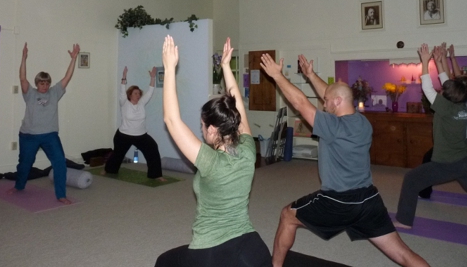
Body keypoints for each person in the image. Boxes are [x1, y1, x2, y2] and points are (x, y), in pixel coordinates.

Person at [259, 53, 429, 267]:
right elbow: (332, 96)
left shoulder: (333, 127)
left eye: (327, 102)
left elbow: (300, 103)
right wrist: (311, 76)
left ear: (337, 102)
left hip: (338, 202)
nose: (323, 103)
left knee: (287, 215)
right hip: (369, 200)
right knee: (403, 255)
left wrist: (277, 76)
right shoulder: (363, 122)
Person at [155, 36, 272, 267]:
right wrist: (226, 67)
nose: (200, 131)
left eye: (201, 126)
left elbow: (171, 119)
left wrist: (169, 68)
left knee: (163, 262)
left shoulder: (210, 162)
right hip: (253, 249)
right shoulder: (249, 149)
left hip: (210, 252)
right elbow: (238, 107)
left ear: (211, 129)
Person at [394, 44, 467, 228]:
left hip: (445, 162)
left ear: (448, 97)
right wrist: (438, 60)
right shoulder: (463, 105)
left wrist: (425, 62)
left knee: (411, 179)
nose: (441, 91)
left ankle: (404, 221)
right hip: (463, 159)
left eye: (443, 91)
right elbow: (447, 84)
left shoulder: (445, 108)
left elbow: (427, 88)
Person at [10, 42, 80, 204]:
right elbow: (22, 78)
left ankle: (61, 195)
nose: (45, 86)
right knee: (25, 163)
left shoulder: (54, 92)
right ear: (37, 83)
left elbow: (67, 78)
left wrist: (73, 59)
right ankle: (19, 186)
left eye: (47, 83)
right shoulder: (30, 93)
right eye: (42, 83)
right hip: (28, 135)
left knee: (59, 162)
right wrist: (24, 58)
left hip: (50, 135)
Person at [103, 66, 165, 181]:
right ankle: (108, 169)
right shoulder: (124, 103)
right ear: (130, 95)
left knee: (153, 148)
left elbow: (150, 92)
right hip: (123, 135)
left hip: (141, 135)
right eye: (135, 93)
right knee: (118, 154)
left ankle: (156, 175)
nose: (138, 95)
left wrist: (152, 78)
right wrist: (124, 78)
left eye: (139, 93)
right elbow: (122, 92)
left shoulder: (141, 103)